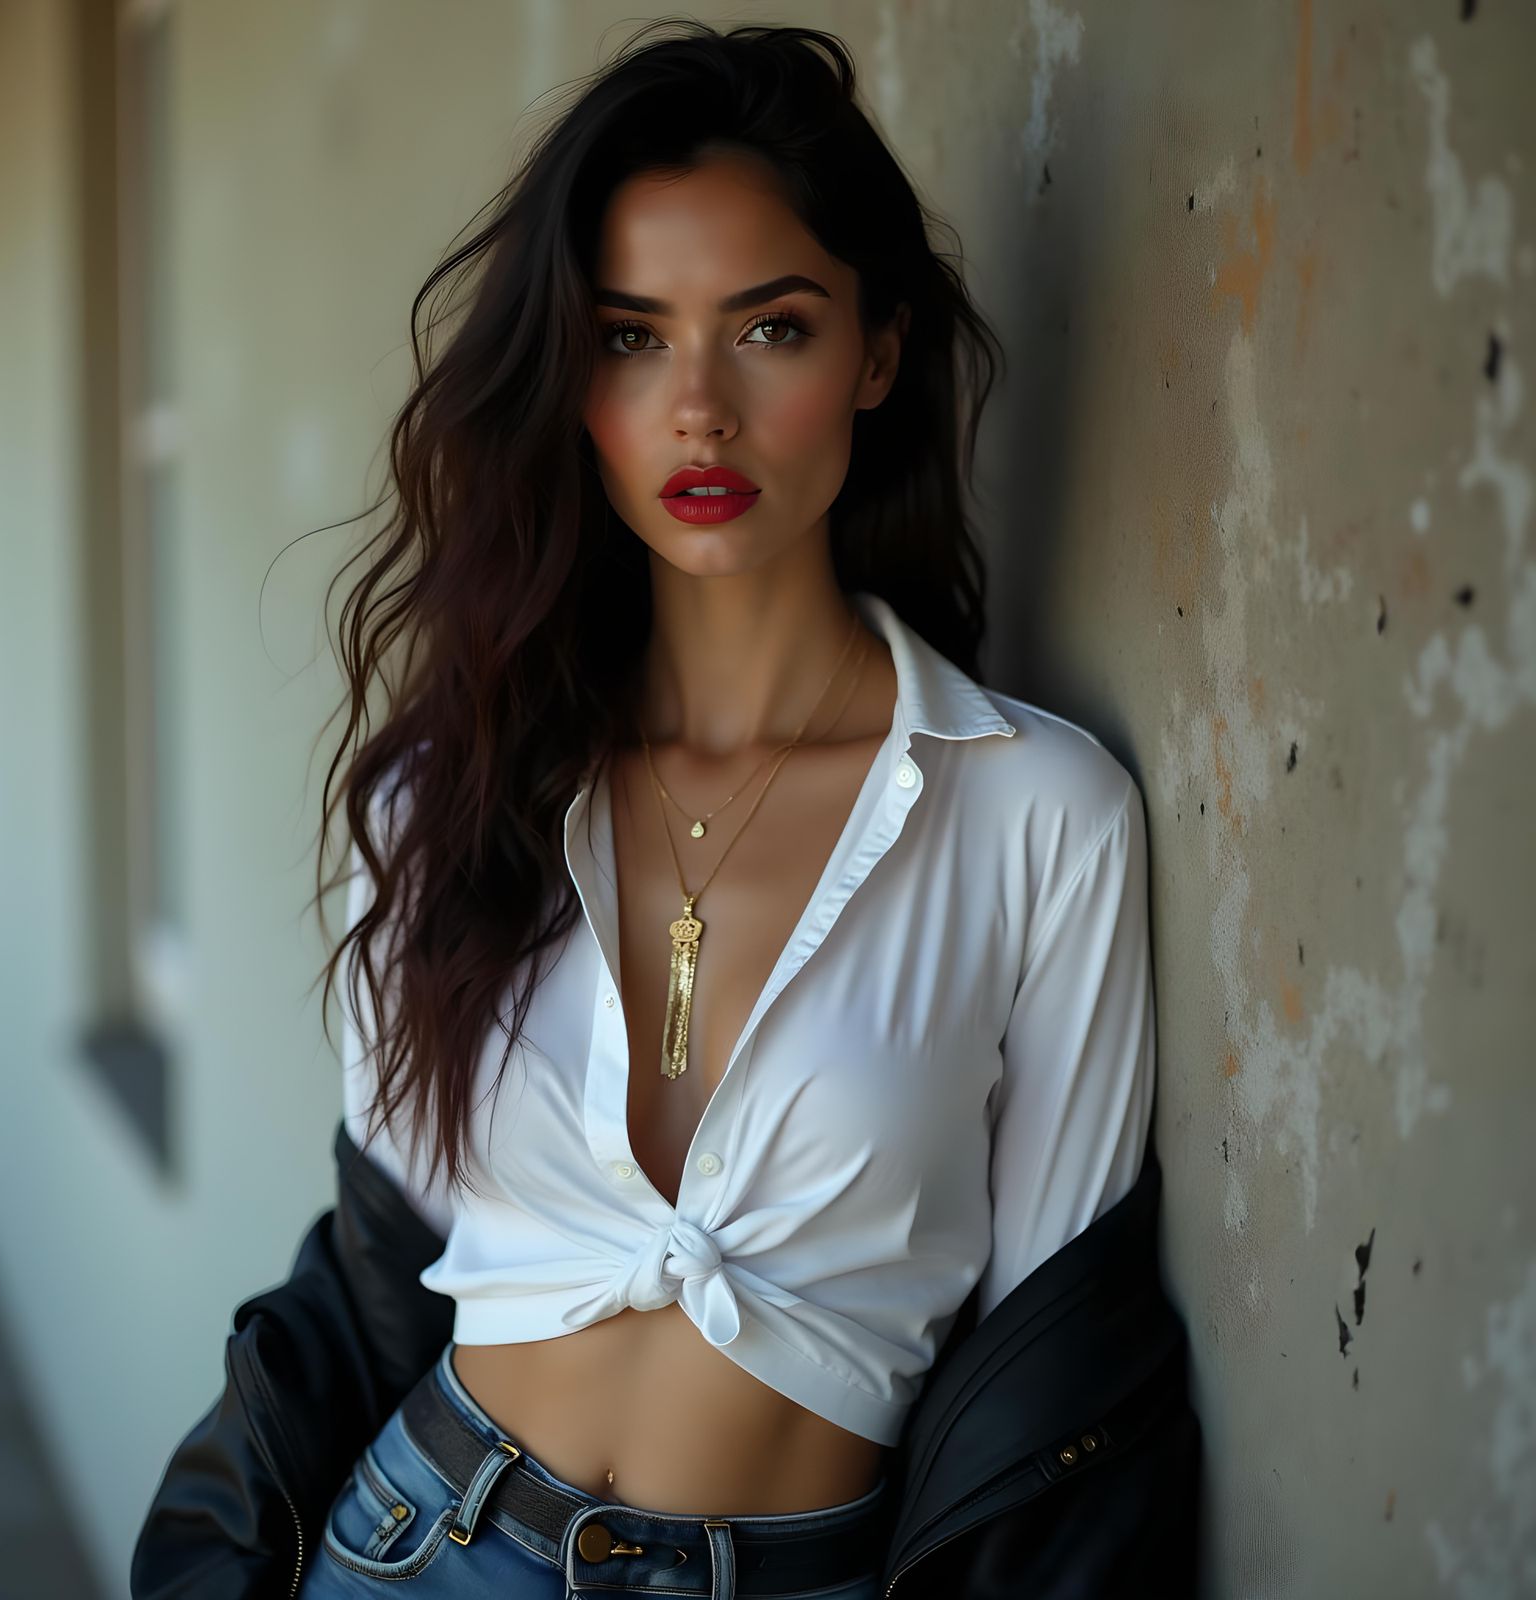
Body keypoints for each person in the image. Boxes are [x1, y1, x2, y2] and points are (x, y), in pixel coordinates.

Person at [133, 20, 1200, 1599]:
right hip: (417, 1544)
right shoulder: (452, 793)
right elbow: (382, 1259)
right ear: (571, 381)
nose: (698, 408)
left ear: (876, 354)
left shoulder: (1043, 819)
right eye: (631, 338)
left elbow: (1042, 1383)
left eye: (770, 328)